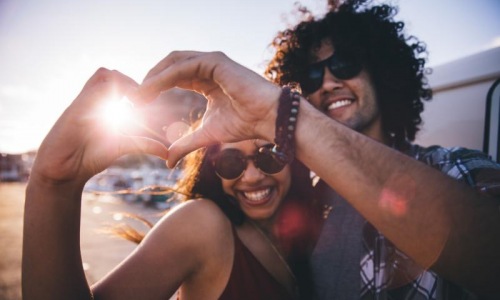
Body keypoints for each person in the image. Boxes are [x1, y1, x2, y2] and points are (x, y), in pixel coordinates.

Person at [127, 2, 499, 300]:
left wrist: (282, 113)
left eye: (344, 63)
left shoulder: (454, 168)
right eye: (311, 76)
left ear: (384, 71)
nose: (329, 81)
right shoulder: (307, 205)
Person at [22, 69, 321, 299]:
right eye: (232, 163)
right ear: (212, 168)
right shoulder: (203, 224)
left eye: (269, 155)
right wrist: (52, 187)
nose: (253, 176)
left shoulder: (311, 231)